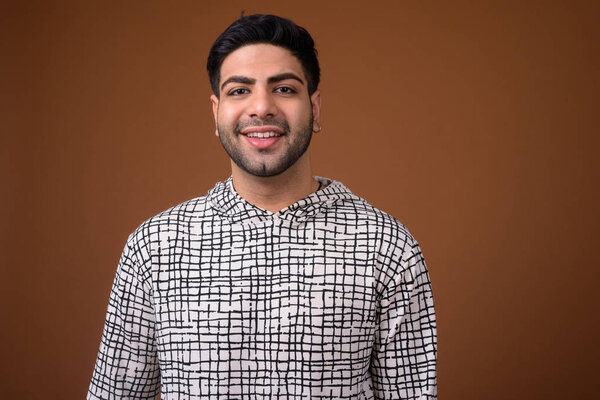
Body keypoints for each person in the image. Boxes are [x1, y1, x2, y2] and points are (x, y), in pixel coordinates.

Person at [88, 14, 437, 399]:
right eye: (239, 90)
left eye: (284, 88)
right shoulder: (154, 248)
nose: (261, 107)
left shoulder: (387, 247)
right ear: (216, 113)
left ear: (315, 108)